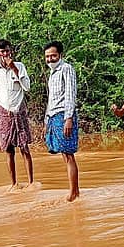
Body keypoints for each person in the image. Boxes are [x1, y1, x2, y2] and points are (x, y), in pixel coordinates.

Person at [0, 39, 34, 189]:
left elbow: (27, 87)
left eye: (8, 51)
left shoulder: (20, 67)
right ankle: (14, 184)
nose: (6, 54)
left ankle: (31, 183)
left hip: (18, 110)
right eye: (2, 52)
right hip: (3, 111)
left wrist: (14, 68)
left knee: (24, 147)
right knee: (8, 150)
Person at [44, 41, 80, 202]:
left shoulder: (67, 69)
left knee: (68, 154)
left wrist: (69, 118)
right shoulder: (52, 74)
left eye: (53, 56)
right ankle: (75, 191)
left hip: (64, 115)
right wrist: (46, 121)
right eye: (47, 56)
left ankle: (73, 192)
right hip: (53, 116)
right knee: (64, 155)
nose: (50, 59)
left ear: (60, 55)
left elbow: (71, 95)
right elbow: (51, 99)